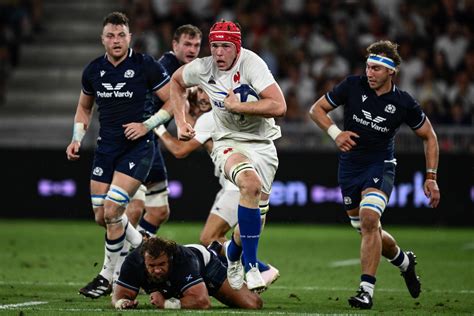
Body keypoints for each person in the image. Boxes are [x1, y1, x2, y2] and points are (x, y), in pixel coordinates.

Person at [308, 40, 441, 309]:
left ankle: (365, 290)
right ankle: (404, 261)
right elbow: (316, 110)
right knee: (368, 230)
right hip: (349, 167)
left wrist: (431, 177)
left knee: (370, 219)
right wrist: (336, 134)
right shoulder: (352, 85)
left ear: (391, 72)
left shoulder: (404, 102)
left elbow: (429, 136)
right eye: (368, 67)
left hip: (379, 165)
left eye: (377, 69)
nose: (370, 73)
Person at [170, 20, 286, 292]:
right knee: (249, 184)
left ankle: (233, 254)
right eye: (214, 46)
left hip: (262, 144)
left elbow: (279, 106)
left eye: (225, 46)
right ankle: (251, 266)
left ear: (237, 47)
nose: (219, 53)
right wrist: (180, 120)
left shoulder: (252, 64)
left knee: (254, 218)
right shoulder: (203, 67)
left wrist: (240, 106)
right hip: (228, 142)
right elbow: (176, 82)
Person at [65, 12, 172, 298]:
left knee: (114, 212)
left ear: (129, 38)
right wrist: (76, 138)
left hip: (138, 148)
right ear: (102, 39)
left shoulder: (145, 65)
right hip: (106, 149)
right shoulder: (92, 70)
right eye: (110, 35)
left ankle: (108, 276)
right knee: (103, 217)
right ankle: (143, 247)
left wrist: (146, 125)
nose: (116, 40)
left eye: (121, 35)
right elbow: (84, 108)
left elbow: (174, 101)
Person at [156, 87, 280, 288]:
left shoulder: (210, 119)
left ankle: (259, 268)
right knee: (219, 237)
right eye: (200, 93)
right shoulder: (215, 117)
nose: (204, 97)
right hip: (235, 184)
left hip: (236, 187)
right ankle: (251, 266)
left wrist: (158, 126)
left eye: (207, 92)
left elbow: (179, 150)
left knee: (210, 237)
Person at [116, 24, 203, 282]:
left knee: (159, 211)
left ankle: (137, 253)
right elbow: (148, 105)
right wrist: (155, 129)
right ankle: (119, 270)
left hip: (151, 143)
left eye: (197, 45)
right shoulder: (164, 67)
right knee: (134, 208)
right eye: (187, 44)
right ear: (174, 45)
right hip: (137, 143)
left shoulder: (191, 73)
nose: (192, 50)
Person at [112, 236, 262, 310]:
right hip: (176, 281)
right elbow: (120, 294)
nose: (157, 270)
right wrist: (122, 302)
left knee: (253, 304)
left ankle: (219, 253)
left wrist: (166, 303)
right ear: (143, 261)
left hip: (205, 266)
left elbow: (203, 302)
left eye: (162, 264)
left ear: (170, 259)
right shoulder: (133, 263)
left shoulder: (184, 260)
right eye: (152, 266)